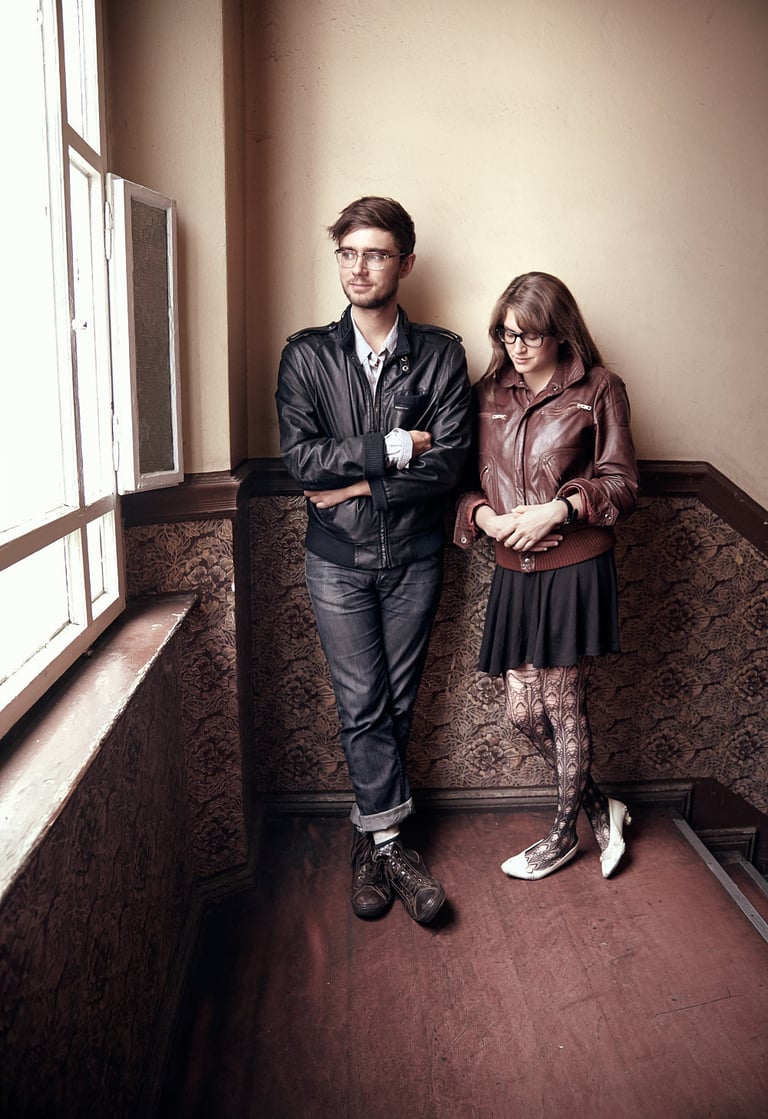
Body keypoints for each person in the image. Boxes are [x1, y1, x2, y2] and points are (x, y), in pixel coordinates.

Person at [276, 197, 471, 923]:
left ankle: (371, 837)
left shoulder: (442, 354)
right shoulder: (306, 355)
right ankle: (390, 846)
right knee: (362, 702)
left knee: (396, 701)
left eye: (376, 254)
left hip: (416, 557)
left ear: (405, 264)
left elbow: (450, 462)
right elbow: (303, 460)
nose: (359, 268)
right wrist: (396, 445)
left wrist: (358, 479)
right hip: (337, 560)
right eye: (348, 253)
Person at [455, 272, 639, 880]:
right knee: (522, 714)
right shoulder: (486, 394)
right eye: (507, 334)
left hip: (573, 564)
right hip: (513, 568)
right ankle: (600, 806)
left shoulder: (599, 388)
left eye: (531, 335)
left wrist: (558, 509)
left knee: (563, 705)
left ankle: (562, 836)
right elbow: (459, 482)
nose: (518, 347)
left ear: (561, 333)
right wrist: (483, 516)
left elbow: (622, 484)